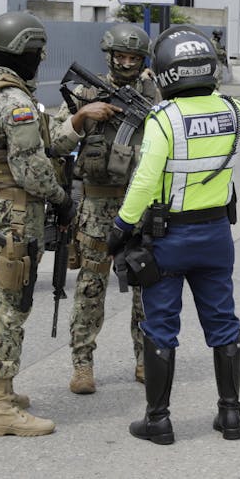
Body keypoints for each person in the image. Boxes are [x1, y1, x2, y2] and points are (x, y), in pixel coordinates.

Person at [0, 11, 98, 436]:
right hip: (14, 214)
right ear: (26, 53)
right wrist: (63, 199)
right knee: (11, 306)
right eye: (36, 54)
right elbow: (31, 171)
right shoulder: (15, 101)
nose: (39, 61)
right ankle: (2, 409)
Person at [106, 25, 240, 445]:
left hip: (168, 239)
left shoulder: (163, 120)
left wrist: (120, 228)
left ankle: (159, 421)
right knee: (223, 323)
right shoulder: (237, 111)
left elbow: (145, 182)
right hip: (217, 235)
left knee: (161, 326)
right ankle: (231, 415)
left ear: (166, 72)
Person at [49, 23, 160, 394]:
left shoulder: (156, 96)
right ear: (109, 55)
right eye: (121, 56)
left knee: (147, 286)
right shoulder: (84, 91)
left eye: (134, 57)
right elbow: (55, 143)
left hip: (141, 204)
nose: (127, 63)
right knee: (91, 287)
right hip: (97, 205)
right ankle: (82, 364)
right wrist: (81, 118)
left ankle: (146, 359)